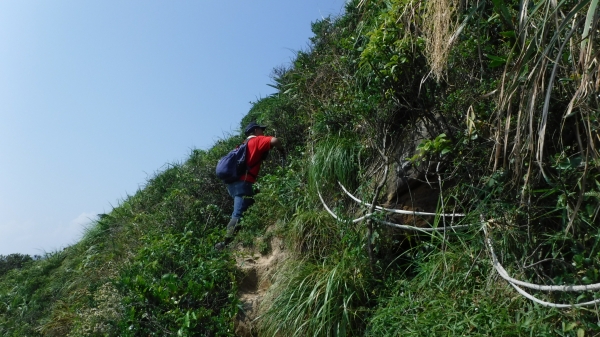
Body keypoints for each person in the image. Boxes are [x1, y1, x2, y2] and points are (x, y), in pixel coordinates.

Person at [215, 122, 286, 249]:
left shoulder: (241, 145)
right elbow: (274, 140)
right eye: (261, 129)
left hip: (232, 184)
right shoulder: (256, 141)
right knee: (238, 214)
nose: (263, 132)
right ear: (255, 130)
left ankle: (242, 239)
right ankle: (225, 244)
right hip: (243, 183)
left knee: (249, 206)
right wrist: (282, 151)